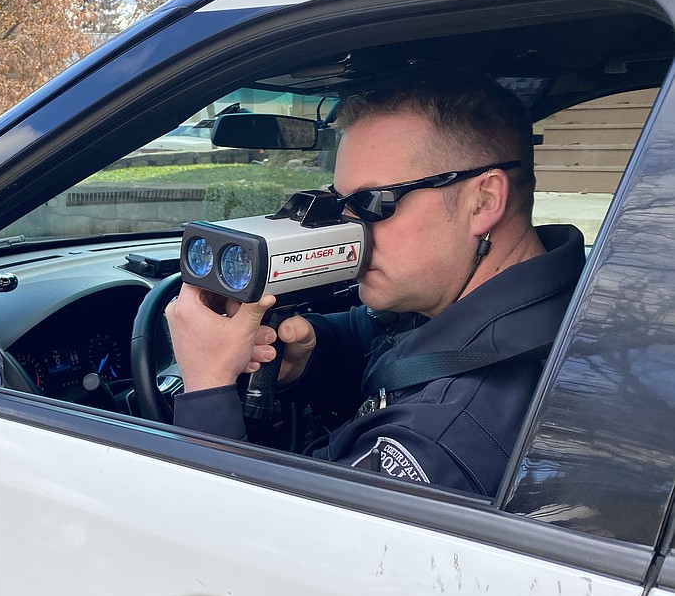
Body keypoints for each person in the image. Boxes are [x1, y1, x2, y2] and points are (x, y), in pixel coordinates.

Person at [166, 70, 586, 497]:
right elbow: (392, 338)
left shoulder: (440, 438)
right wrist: (310, 358)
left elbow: (243, 548)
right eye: (339, 202)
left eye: (371, 204)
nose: (351, 230)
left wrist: (207, 387)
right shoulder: (544, 299)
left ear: (484, 201)